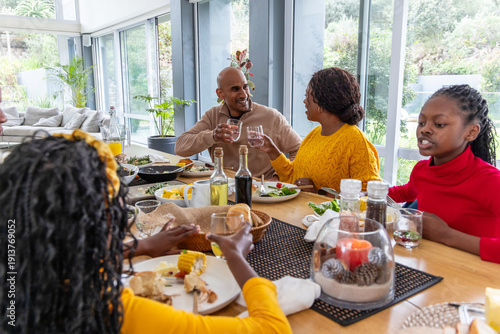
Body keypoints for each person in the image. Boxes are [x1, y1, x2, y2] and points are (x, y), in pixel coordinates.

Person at [0, 129, 291, 334]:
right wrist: (238, 257)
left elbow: (66, 260)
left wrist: (137, 248)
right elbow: (273, 328)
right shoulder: (113, 311)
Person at [388, 84, 500, 264]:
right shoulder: (421, 171)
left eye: (439, 124)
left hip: (478, 282)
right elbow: (406, 192)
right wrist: (370, 193)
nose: (424, 130)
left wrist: (447, 235)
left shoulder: (491, 182)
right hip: (432, 268)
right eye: (422, 122)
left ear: (471, 132)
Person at [255, 67, 381, 192]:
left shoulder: (356, 142)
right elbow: (292, 176)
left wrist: (319, 193)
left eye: (307, 95)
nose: (304, 101)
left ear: (322, 102)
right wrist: (272, 150)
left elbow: (369, 197)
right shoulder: (314, 134)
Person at [175, 67, 302, 179]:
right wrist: (212, 136)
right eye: (235, 89)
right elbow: (180, 147)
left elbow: (300, 149)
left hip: (263, 191)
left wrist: (278, 177)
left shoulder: (271, 116)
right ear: (220, 93)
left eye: (245, 87)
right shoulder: (212, 116)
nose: (244, 94)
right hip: (224, 188)